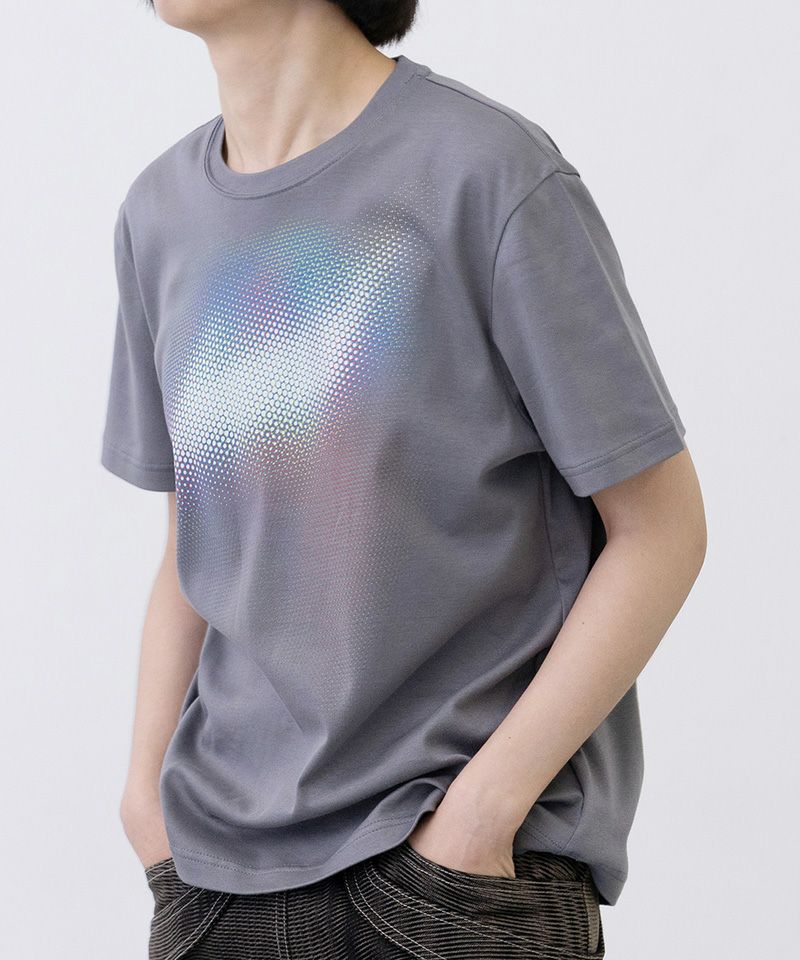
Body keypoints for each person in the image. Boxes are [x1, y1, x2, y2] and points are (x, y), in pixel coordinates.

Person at [100, 1, 707, 957]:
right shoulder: (159, 214)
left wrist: (484, 813)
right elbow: (195, 543)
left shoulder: (487, 173)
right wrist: (145, 801)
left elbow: (662, 529)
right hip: (220, 882)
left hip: (451, 877)